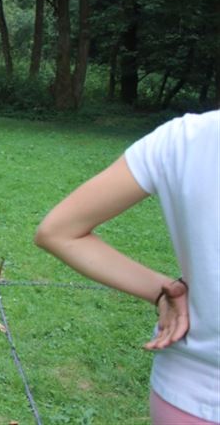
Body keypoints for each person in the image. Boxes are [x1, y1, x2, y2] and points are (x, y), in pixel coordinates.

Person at [35, 111, 219, 424]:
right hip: (194, 391)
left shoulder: (182, 139)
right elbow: (56, 232)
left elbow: (58, 231)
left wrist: (161, 293)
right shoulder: (180, 140)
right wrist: (163, 293)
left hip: (187, 394)